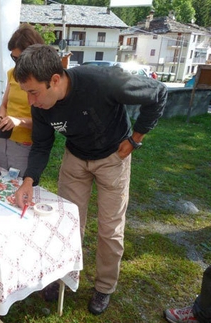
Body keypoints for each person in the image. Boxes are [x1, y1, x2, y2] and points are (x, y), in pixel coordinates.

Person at [13, 44, 167, 315]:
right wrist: (28, 181)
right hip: (75, 158)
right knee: (67, 223)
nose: (30, 102)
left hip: (113, 157)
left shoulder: (103, 81)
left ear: (56, 80)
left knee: (110, 228)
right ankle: (64, 275)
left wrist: (136, 139)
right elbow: (40, 145)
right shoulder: (40, 106)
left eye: (34, 92)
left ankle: (104, 287)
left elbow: (158, 93)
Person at [0, 24, 44, 177]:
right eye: (13, 58)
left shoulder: (42, 79)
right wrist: (0, 118)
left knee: (19, 188)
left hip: (25, 145)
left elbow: (44, 122)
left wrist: (19, 121)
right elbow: (4, 105)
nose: (16, 63)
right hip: (4, 141)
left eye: (19, 58)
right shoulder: (12, 73)